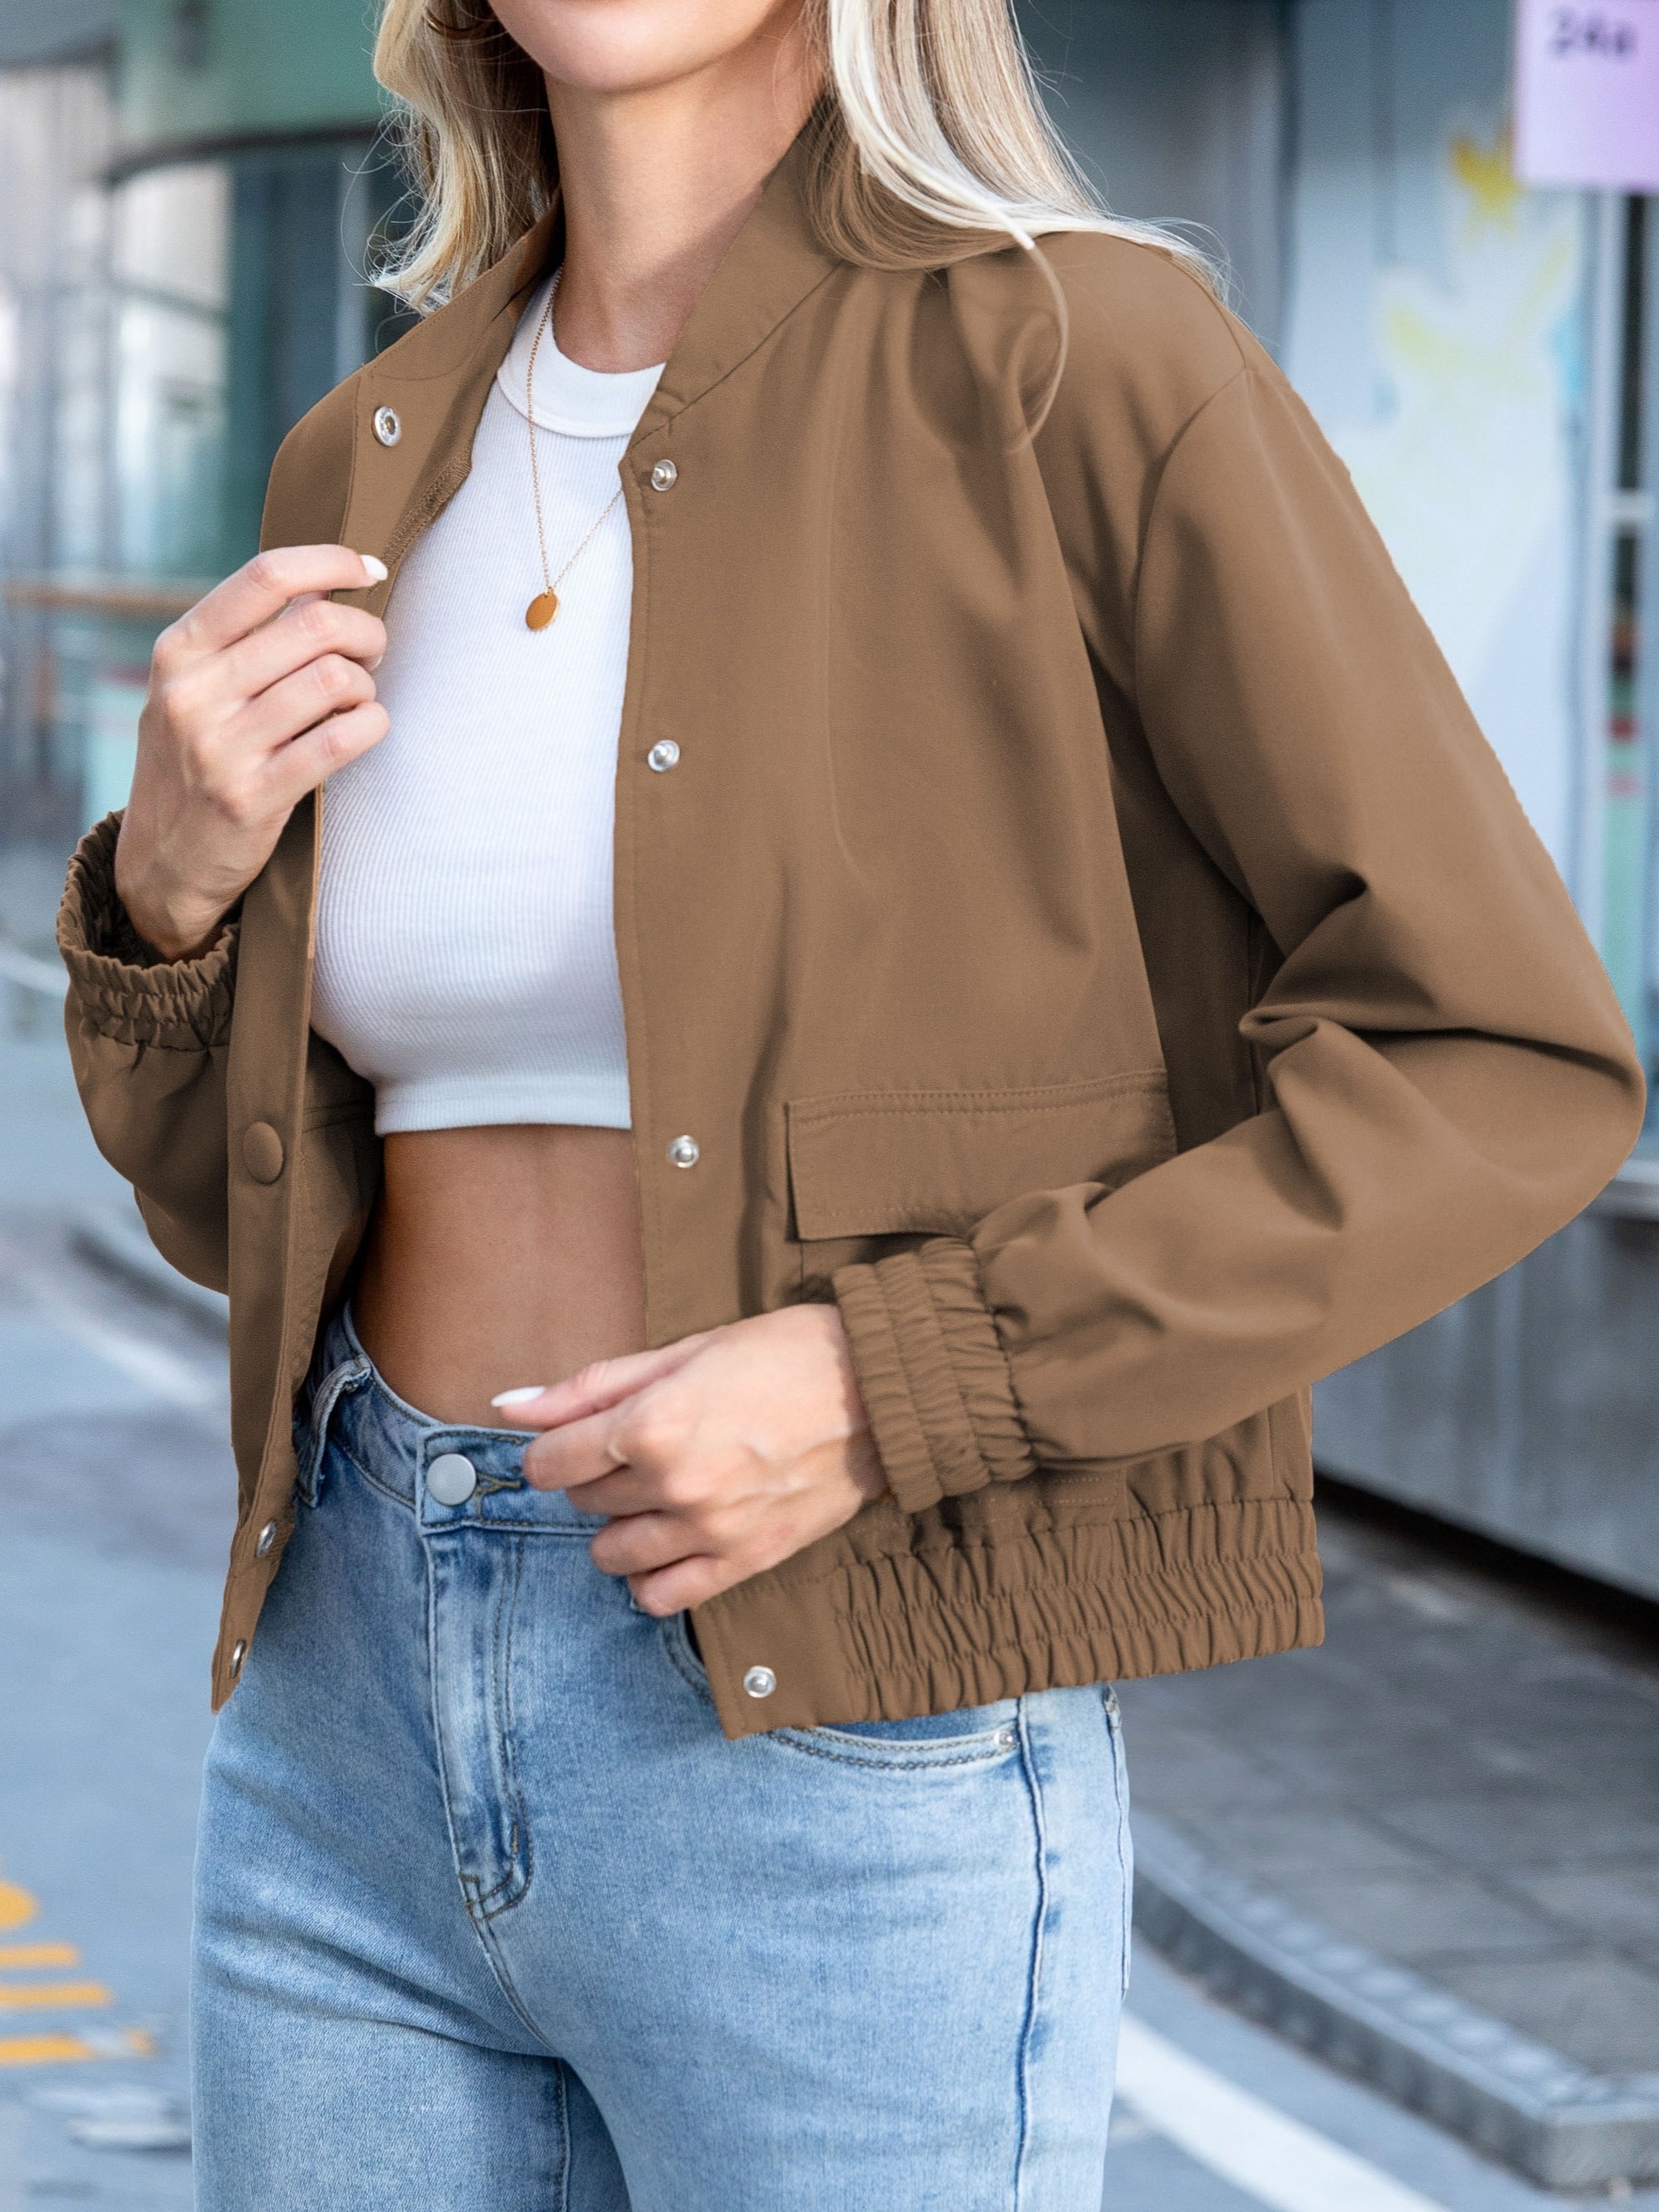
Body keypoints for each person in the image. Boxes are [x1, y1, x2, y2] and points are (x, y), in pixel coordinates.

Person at [57, 0, 1641, 2205]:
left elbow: (1497, 1053)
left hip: (839, 1723)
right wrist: (164, 895)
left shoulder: (1084, 363)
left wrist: (900, 1384)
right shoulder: (366, 456)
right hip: (338, 1713)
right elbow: (245, 1224)